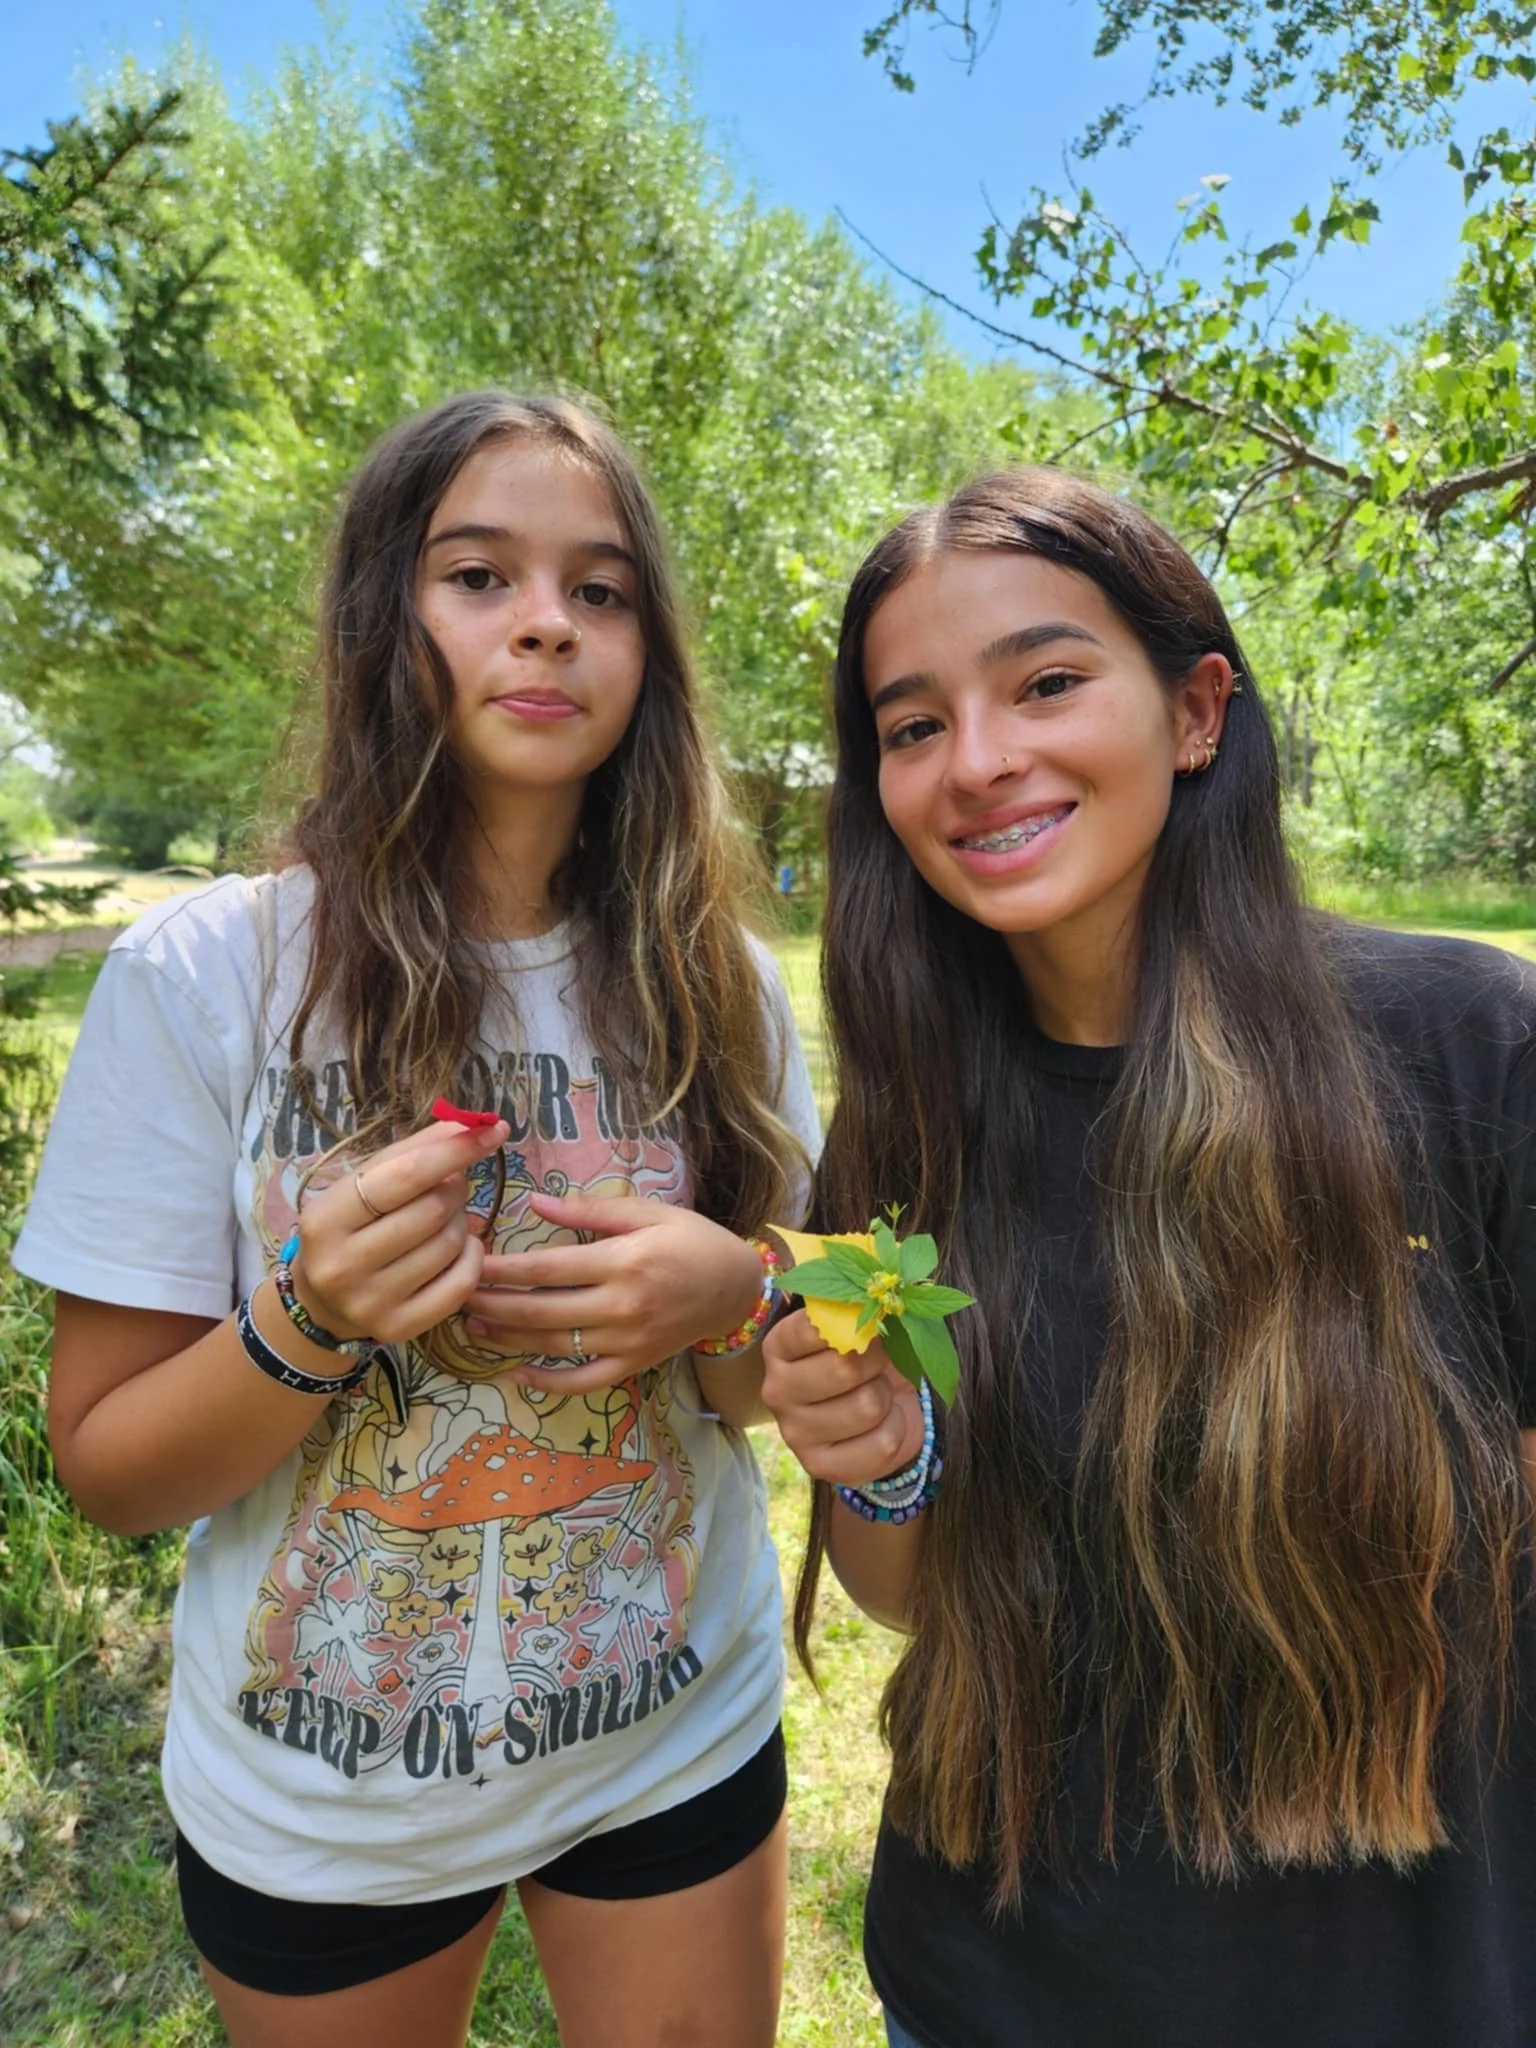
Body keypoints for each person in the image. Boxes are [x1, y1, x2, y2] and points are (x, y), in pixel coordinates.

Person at [16, 391, 819, 2048]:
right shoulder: (213, 975)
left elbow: (757, 1392)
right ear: (386, 612)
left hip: (671, 1727)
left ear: (648, 655)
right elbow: (105, 1470)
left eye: (601, 591)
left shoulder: (714, 982)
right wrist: (306, 1323)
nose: (547, 622)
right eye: (480, 575)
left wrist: (739, 1297)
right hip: (329, 1796)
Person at [760, 468, 1536, 2048]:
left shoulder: (1466, 1047)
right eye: (912, 726)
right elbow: (901, 1596)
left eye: (1046, 682)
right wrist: (882, 1465)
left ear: (1195, 712)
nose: (978, 762)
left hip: (1408, 1983)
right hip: (993, 1986)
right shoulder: (901, 1134)